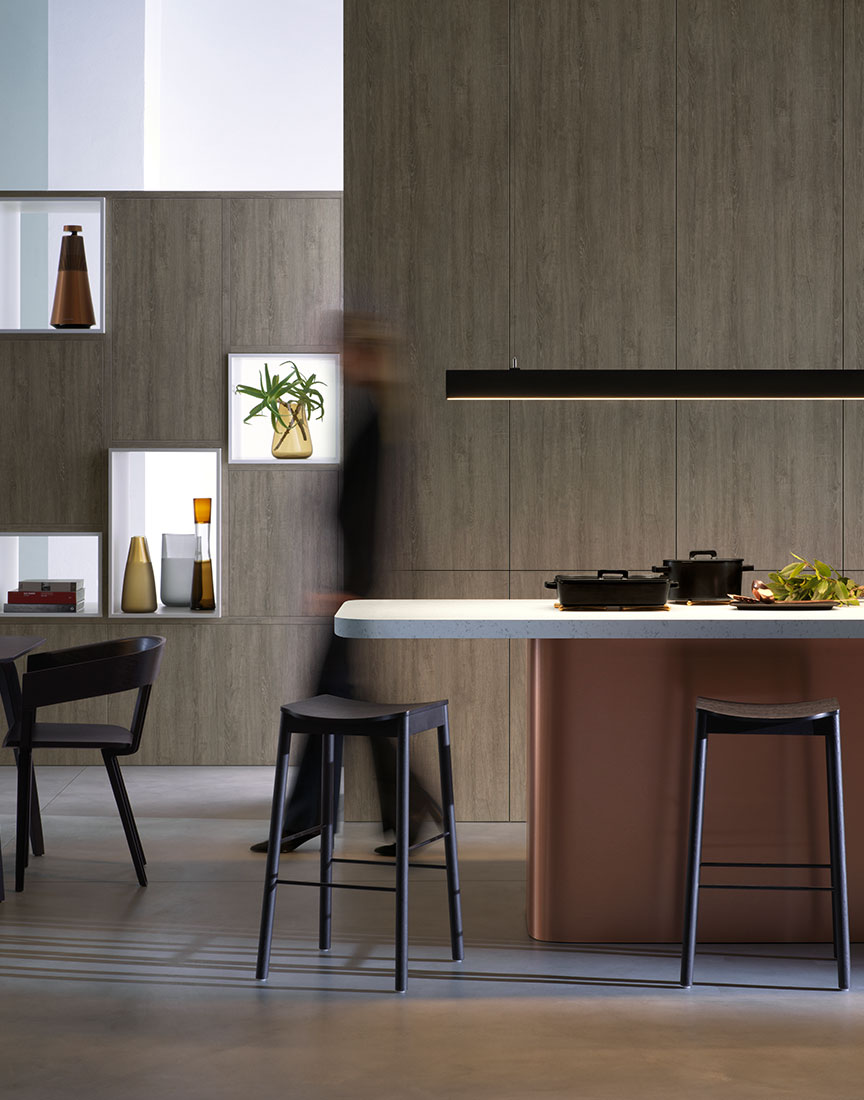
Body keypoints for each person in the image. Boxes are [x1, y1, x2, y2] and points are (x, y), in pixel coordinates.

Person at [251, 313, 440, 855]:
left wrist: (352, 589)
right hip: (356, 592)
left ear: (366, 355)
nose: (338, 359)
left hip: (357, 595)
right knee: (345, 702)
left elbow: (370, 519)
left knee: (329, 702)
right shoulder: (374, 418)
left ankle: (313, 817)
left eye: (344, 351)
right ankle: (410, 808)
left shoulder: (376, 424)